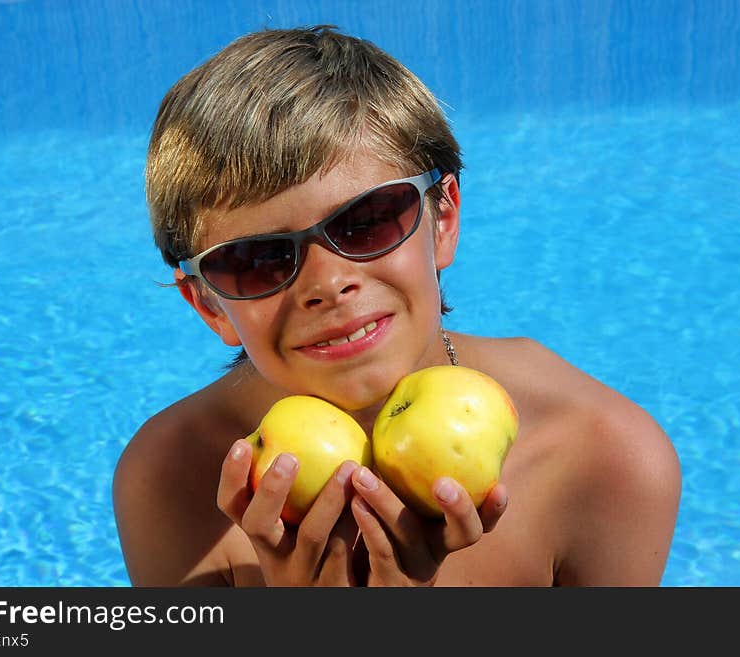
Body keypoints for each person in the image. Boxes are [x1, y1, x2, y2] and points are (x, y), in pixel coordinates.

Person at [113, 25, 681, 586]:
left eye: (366, 222)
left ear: (443, 219)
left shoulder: (598, 457)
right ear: (208, 306)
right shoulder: (175, 482)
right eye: (257, 257)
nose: (328, 282)